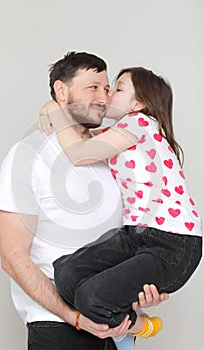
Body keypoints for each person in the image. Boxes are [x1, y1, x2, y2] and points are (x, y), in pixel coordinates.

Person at [0, 52, 167, 350]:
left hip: (117, 326)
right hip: (59, 327)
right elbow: (12, 258)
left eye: (106, 88)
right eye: (93, 88)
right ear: (62, 91)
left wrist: (142, 286)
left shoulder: (111, 156)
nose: (104, 97)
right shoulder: (27, 155)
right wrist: (74, 317)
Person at [37, 66, 202, 349]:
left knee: (91, 296)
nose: (108, 93)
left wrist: (54, 109)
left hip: (173, 243)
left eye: (118, 88)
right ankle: (120, 313)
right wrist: (53, 105)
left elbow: (81, 153)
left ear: (138, 104)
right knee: (66, 274)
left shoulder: (139, 123)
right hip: (135, 236)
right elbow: (81, 135)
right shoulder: (123, 130)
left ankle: (141, 325)